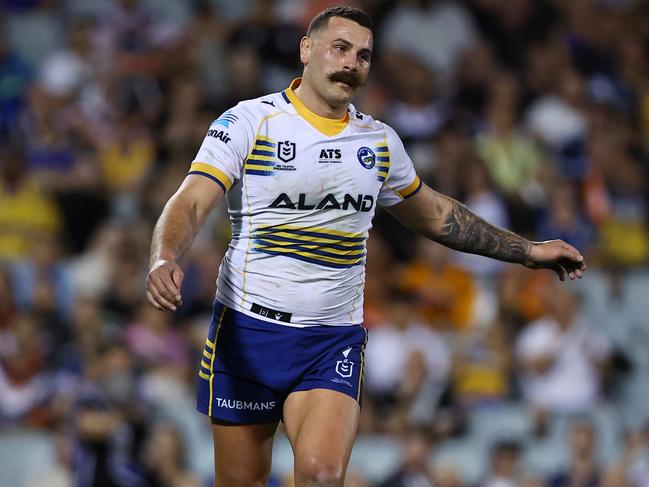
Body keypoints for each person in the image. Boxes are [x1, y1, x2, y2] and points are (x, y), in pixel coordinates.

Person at [146, 6, 586, 486]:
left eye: (364, 55)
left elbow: (438, 216)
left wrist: (528, 251)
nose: (351, 63)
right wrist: (165, 256)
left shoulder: (378, 142)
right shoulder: (250, 122)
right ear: (306, 49)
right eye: (340, 48)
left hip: (332, 338)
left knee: (320, 476)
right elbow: (190, 202)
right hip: (249, 334)